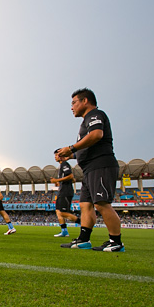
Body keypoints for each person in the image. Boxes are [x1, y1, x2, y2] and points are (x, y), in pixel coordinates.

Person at [57, 88, 124, 252]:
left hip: (100, 165)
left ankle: (116, 241)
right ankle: (83, 240)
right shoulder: (86, 120)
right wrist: (71, 155)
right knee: (85, 205)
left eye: (74, 103)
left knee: (101, 203)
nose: (71, 107)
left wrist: (71, 148)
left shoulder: (95, 115)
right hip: (89, 168)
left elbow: (96, 135)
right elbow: (88, 146)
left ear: (85, 101)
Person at [50, 152, 80, 237]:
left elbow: (70, 176)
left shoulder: (64, 164)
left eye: (56, 155)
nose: (55, 157)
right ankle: (64, 231)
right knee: (58, 212)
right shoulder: (61, 166)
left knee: (62, 213)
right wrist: (58, 183)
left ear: (61, 156)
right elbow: (73, 180)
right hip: (62, 190)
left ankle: (83, 223)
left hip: (66, 191)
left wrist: (57, 180)